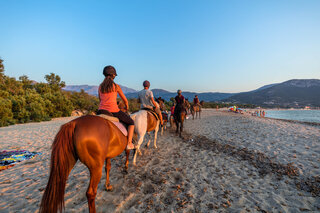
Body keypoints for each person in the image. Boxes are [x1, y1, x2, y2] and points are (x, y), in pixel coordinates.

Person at [97, 65, 135, 150]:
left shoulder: (100, 87)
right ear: (113, 75)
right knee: (131, 123)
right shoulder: (116, 86)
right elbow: (125, 100)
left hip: (100, 111)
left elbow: (100, 99)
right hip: (113, 111)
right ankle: (129, 143)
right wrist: (126, 107)